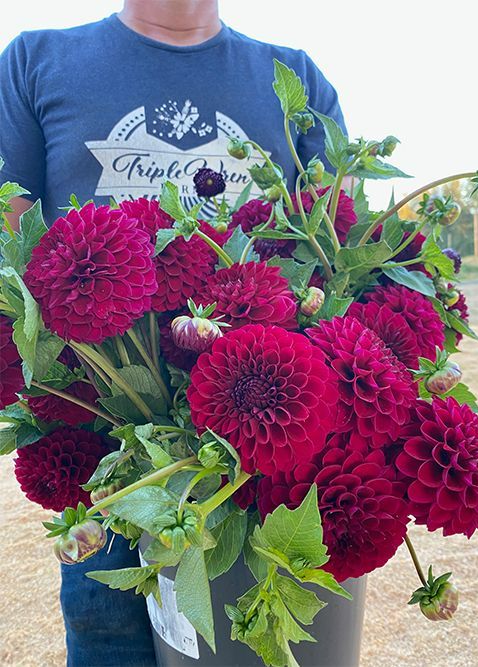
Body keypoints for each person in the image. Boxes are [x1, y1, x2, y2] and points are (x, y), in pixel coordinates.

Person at [0, 1, 347, 664]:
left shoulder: (294, 78)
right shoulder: (35, 62)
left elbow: (332, 262)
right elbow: (12, 256)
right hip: (112, 473)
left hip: (260, 459)